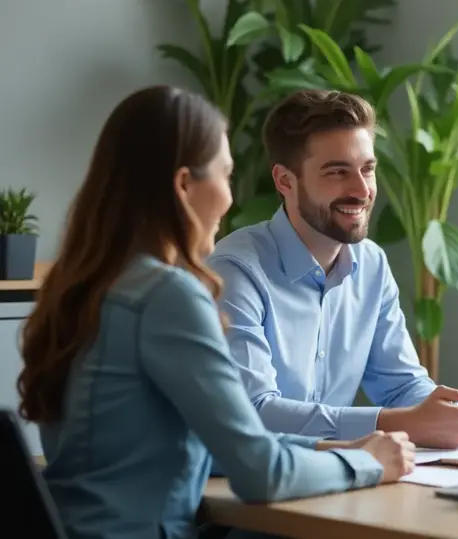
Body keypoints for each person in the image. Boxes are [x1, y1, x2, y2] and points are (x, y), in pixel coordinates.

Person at [17, 86, 415, 539]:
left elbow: (220, 443)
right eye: (225, 177)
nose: (229, 200)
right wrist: (366, 461)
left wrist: (335, 446)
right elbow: (261, 473)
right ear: (184, 185)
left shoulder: (81, 285)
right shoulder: (167, 295)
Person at [207, 90, 458, 449]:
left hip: (337, 478)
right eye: (337, 172)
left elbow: (401, 386)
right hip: (243, 490)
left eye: (367, 169)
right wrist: (391, 422)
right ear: (285, 181)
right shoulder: (234, 271)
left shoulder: (370, 264)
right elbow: (254, 412)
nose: (362, 190)